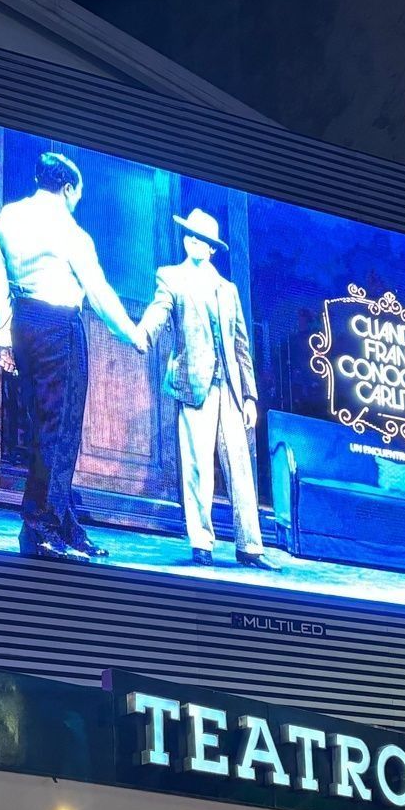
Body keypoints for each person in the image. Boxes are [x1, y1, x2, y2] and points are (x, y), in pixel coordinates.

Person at [0, 151, 145, 563]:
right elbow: (98, 292)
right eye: (78, 194)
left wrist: (5, 337)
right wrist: (131, 334)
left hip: (25, 322)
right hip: (60, 328)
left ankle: (62, 521)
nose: (77, 201)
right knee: (61, 431)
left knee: (45, 427)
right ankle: (39, 527)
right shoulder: (70, 231)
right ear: (68, 188)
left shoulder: (8, 216)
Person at [129, 207, 275, 569]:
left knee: (240, 466)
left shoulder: (227, 289)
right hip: (196, 384)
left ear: (212, 249)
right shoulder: (171, 277)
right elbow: (159, 311)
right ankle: (201, 542)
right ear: (185, 239)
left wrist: (251, 396)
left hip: (231, 388)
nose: (195, 242)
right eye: (191, 236)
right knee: (197, 466)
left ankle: (250, 547)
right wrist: (142, 334)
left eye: (203, 239)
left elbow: (242, 344)